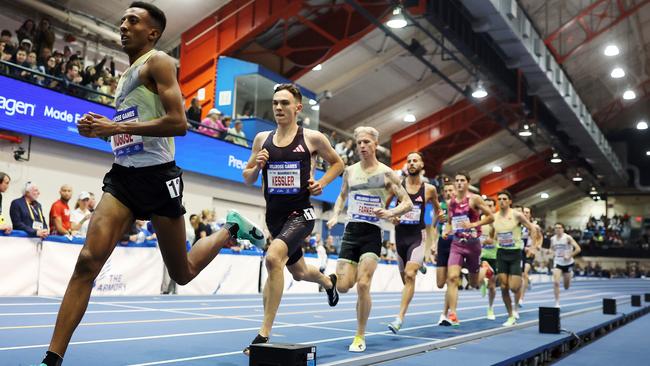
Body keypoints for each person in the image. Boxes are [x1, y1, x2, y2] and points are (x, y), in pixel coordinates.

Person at [40, 3, 264, 365]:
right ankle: (52, 358)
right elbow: (131, 131)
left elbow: (178, 123)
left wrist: (115, 127)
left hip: (159, 178)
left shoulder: (159, 62)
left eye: (133, 20)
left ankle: (228, 231)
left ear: (153, 33)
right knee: (87, 262)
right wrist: (101, 131)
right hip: (123, 178)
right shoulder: (124, 75)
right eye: (124, 19)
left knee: (183, 273)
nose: (123, 25)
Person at [242, 83, 344, 354]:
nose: (278, 107)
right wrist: (257, 165)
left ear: (298, 108)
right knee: (298, 273)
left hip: (302, 214)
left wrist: (322, 182)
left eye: (285, 103)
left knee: (274, 258)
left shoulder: (312, 138)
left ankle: (263, 334)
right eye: (275, 103)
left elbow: (338, 163)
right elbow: (247, 176)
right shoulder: (261, 139)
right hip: (274, 217)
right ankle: (327, 282)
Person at [327, 126, 413, 352]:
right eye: (359, 143)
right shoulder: (350, 171)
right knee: (344, 287)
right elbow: (342, 195)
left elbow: (407, 203)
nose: (362, 146)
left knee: (363, 284)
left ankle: (359, 335)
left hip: (372, 234)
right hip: (351, 232)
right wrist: (336, 214)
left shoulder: (387, 173)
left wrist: (391, 213)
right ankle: (330, 282)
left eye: (366, 142)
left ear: (376, 145)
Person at [386, 152, 442, 333]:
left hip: (418, 237)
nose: (411, 163)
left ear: (421, 165)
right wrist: (392, 217)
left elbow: (438, 211)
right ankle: (421, 263)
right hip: (400, 237)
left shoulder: (429, 190)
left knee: (410, 274)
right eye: (408, 160)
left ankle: (399, 318)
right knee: (406, 279)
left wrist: (435, 228)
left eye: (415, 160)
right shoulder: (398, 186)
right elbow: (386, 206)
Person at [441, 172, 494, 326]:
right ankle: (453, 314)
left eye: (462, 180)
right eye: (456, 180)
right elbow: (451, 222)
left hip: (473, 244)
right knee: (452, 278)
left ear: (468, 182)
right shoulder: (451, 202)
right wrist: (447, 230)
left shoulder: (474, 199)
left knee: (474, 283)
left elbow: (491, 217)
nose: (458, 183)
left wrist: (473, 225)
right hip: (457, 243)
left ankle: (485, 269)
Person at [493, 191, 538, 326]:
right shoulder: (494, 217)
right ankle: (511, 315)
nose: (501, 201)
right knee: (503, 286)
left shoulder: (517, 215)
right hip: (501, 253)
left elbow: (532, 228)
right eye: (499, 199)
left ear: (509, 201)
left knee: (513, 287)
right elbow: (491, 233)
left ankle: (520, 294)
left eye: (504, 199)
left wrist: (533, 247)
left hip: (515, 254)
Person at [435, 181, 456, 325]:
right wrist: (432, 246)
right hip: (442, 244)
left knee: (451, 280)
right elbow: (434, 226)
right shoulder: (440, 206)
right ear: (443, 193)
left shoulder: (460, 206)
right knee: (440, 283)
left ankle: (446, 313)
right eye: (446, 190)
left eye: (451, 190)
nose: (448, 193)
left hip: (456, 244)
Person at [550, 223, 581, 308]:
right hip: (557, 262)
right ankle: (557, 303)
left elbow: (578, 249)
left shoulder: (567, 238)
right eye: (556, 228)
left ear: (563, 229)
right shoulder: (552, 239)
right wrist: (551, 252)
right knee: (556, 282)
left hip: (568, 263)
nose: (558, 229)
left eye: (559, 228)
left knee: (566, 287)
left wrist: (569, 256)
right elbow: (552, 249)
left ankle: (570, 274)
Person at [518, 206, 542, 306]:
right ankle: (528, 279)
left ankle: (521, 299)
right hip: (520, 251)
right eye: (524, 212)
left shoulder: (534, 227)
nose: (525, 214)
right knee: (520, 275)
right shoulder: (518, 226)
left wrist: (536, 247)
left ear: (530, 214)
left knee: (524, 273)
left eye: (527, 212)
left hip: (529, 253)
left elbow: (540, 237)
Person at [479, 197, 497, 320]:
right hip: (480, 255)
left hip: (494, 256)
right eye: (486, 205)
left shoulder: (497, 221)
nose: (488, 208)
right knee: (479, 279)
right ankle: (482, 281)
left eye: (491, 205)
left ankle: (490, 308)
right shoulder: (478, 220)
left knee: (492, 286)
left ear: (494, 207)